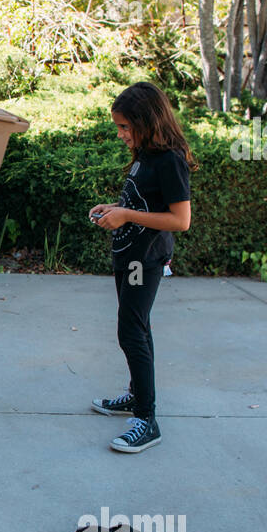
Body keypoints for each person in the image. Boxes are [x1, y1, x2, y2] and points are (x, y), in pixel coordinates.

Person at [88, 82, 195, 453]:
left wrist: (126, 215)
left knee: (131, 332)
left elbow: (181, 220)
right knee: (136, 329)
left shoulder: (170, 160)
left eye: (124, 127)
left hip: (144, 260)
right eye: (118, 127)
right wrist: (111, 210)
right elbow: (140, 203)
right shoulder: (146, 154)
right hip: (128, 254)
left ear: (147, 121)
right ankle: (136, 397)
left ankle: (147, 420)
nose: (120, 134)